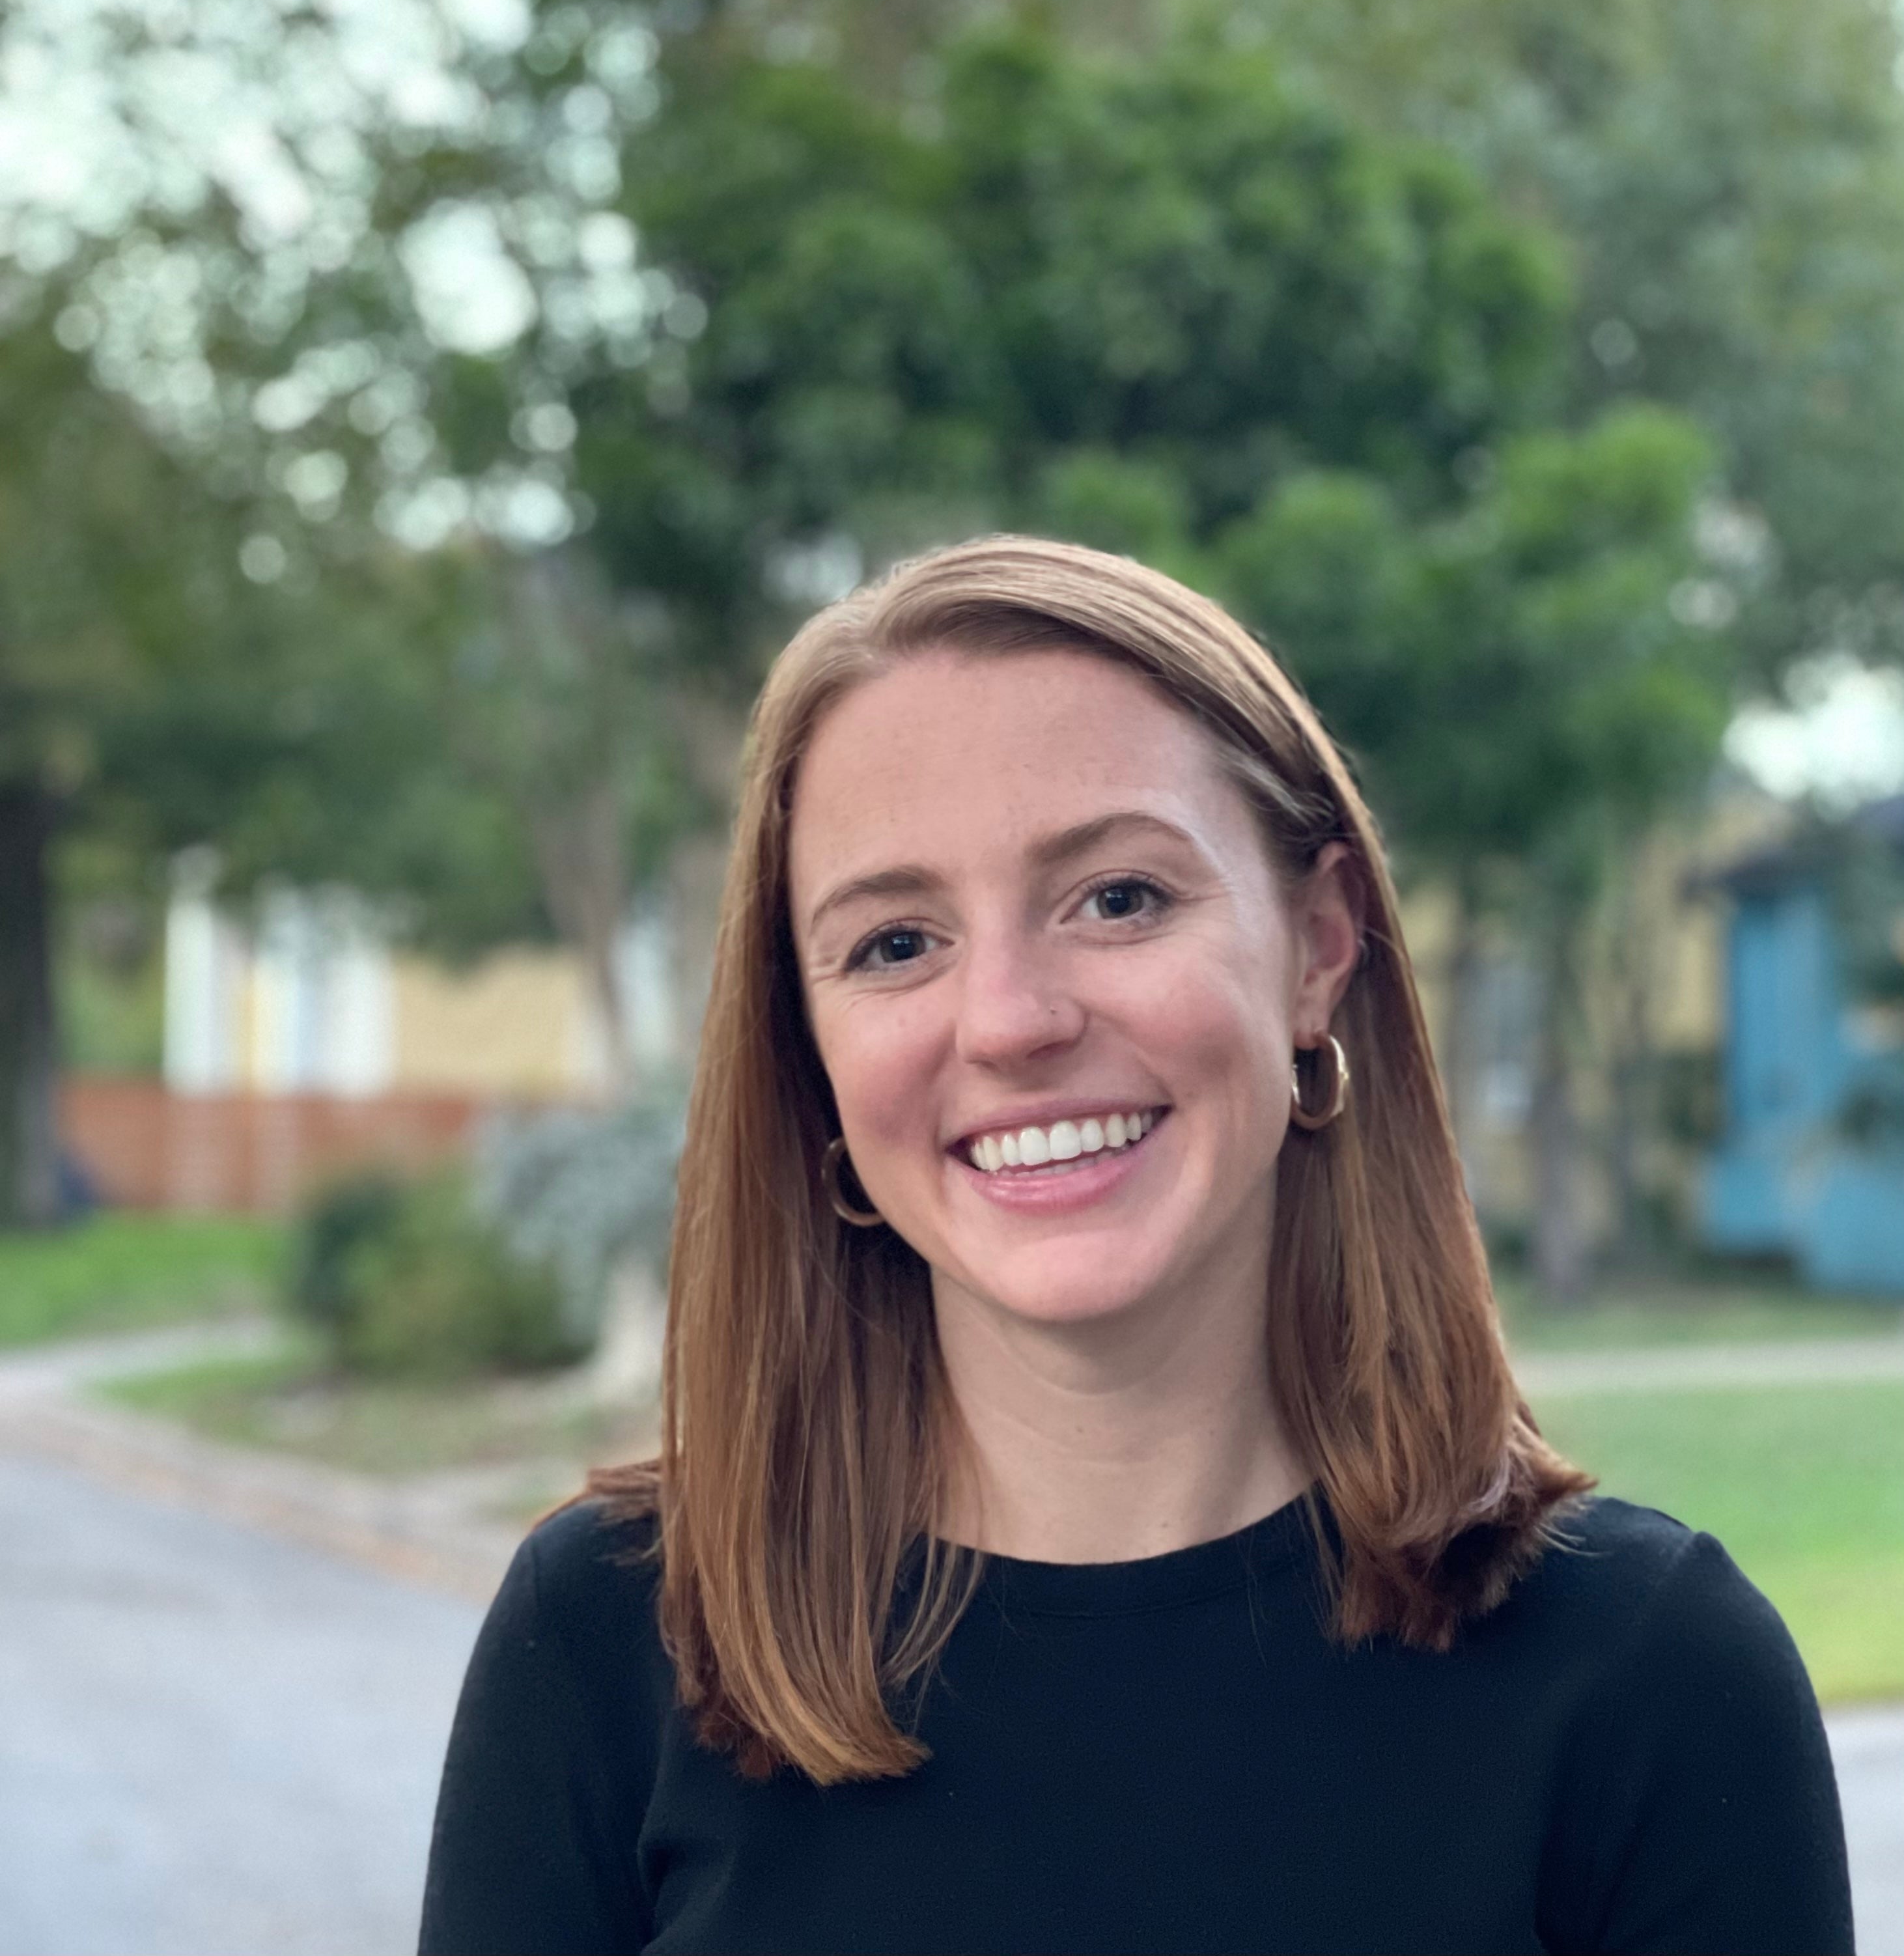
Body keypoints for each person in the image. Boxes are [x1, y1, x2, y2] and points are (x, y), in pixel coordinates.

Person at [420, 536, 1853, 1956]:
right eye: (896, 943)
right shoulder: (611, 1644)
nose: (1008, 1020)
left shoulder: (1655, 1679)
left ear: (1318, 945)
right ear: (810, 1056)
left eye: (1118, 897)